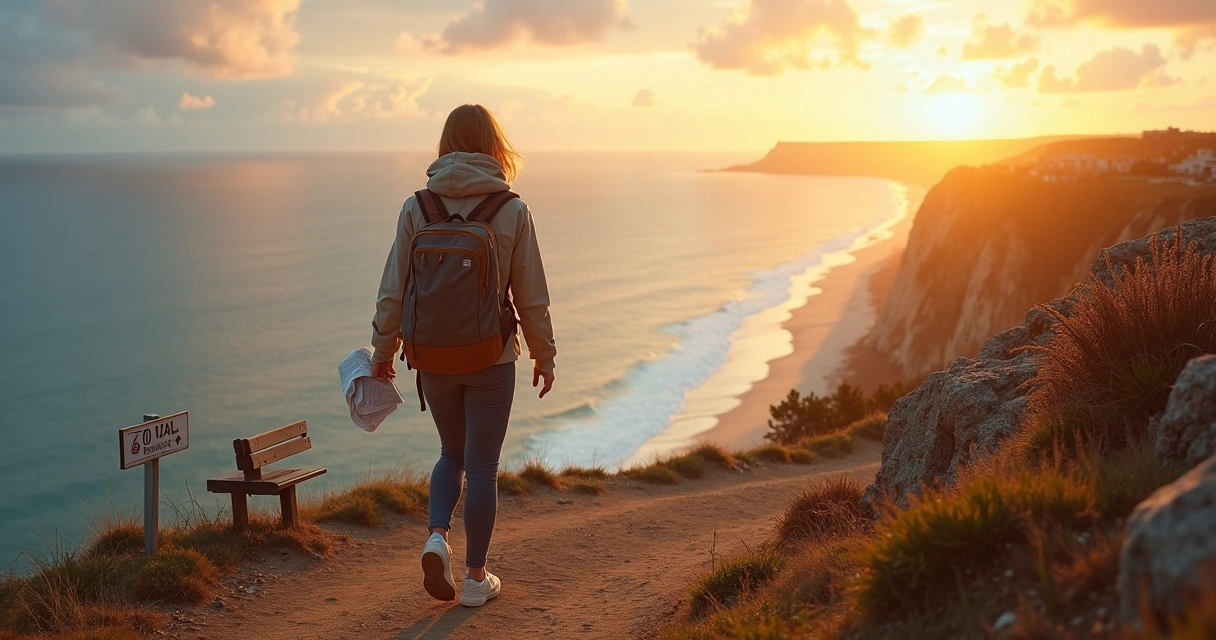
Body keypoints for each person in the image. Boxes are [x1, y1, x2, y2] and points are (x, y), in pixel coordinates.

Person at [369, 104, 557, 607]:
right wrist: (545, 353)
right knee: (482, 466)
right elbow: (530, 295)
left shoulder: (418, 207)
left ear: (446, 144)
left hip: (430, 358)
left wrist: (383, 351)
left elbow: (393, 290)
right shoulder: (511, 209)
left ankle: (436, 537)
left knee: (450, 454)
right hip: (490, 358)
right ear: (494, 145)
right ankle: (476, 579)